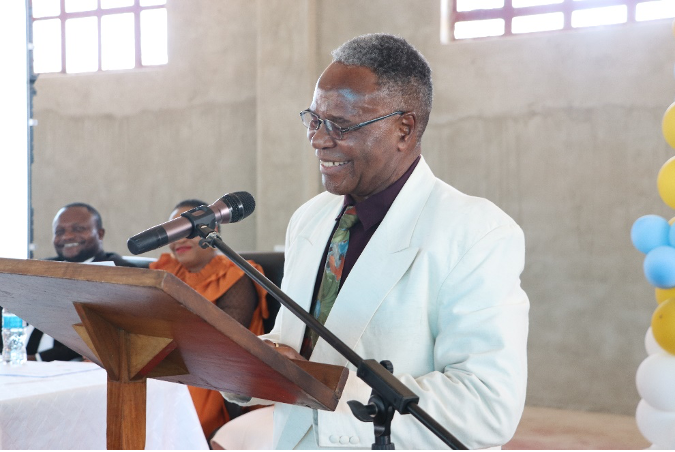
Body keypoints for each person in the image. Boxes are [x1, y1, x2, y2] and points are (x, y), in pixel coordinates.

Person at [216, 33, 529, 450]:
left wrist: (329, 399)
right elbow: (298, 349)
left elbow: (487, 403)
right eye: (313, 119)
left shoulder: (476, 231)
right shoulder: (309, 219)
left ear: (404, 129)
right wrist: (246, 364)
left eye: (341, 125)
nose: (318, 139)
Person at [149, 199, 269, 440]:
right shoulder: (164, 273)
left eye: (186, 231)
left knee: (176, 423)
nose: (178, 240)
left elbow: (222, 341)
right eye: (173, 232)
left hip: (214, 374)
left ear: (211, 230)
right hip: (164, 362)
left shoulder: (236, 273)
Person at [27, 203, 136, 362]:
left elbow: (107, 335)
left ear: (100, 234)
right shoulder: (39, 269)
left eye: (78, 229)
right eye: (60, 231)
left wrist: (37, 359)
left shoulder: (123, 274)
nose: (67, 236)